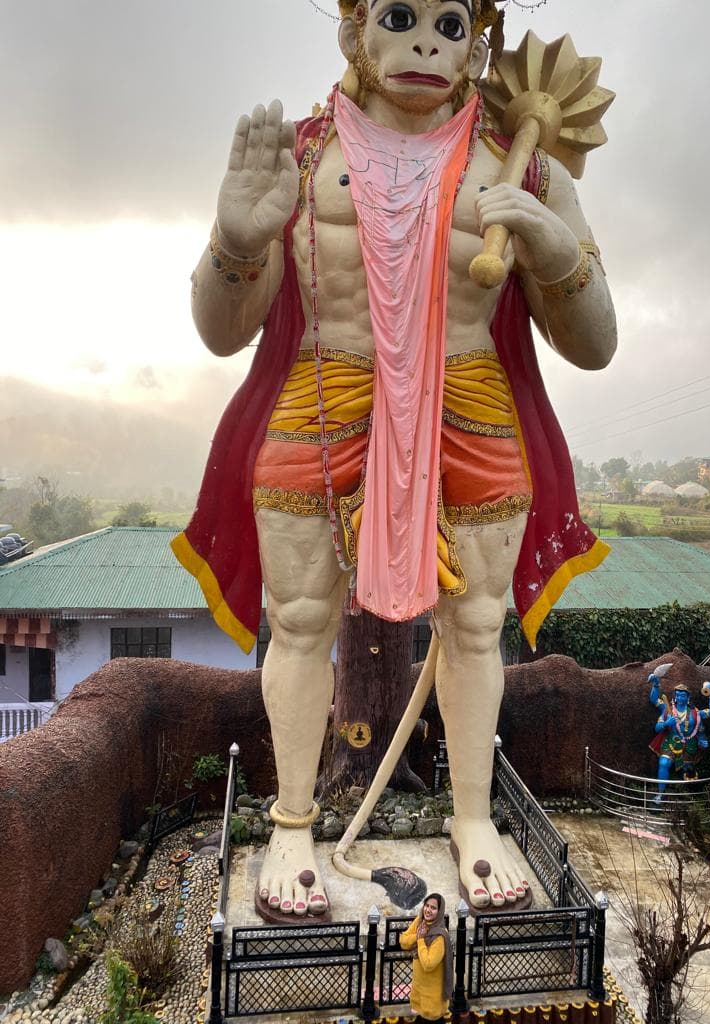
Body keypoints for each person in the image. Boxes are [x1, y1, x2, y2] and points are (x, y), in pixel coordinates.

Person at [173, 0, 617, 917]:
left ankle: (470, 820)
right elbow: (222, 333)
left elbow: (596, 343)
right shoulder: (300, 156)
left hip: (473, 400)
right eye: (401, 14)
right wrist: (236, 241)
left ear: (479, 40)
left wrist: (550, 241)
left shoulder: (522, 165)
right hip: (325, 396)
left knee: (477, 626)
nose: (426, 41)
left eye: (451, 23)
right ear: (353, 30)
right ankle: (292, 824)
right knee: (297, 620)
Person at [648, 672, 710, 801]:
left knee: (689, 772)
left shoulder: (695, 713)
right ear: (674, 696)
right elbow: (654, 703)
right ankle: (661, 793)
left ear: (688, 697)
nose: (680, 697)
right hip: (671, 743)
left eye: (683, 695)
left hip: (689, 746)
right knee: (663, 763)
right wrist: (656, 684)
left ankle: (687, 797)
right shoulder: (667, 709)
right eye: (678, 695)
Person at [399, 892, 453, 1022]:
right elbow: (403, 941)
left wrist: (421, 940)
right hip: (419, 990)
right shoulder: (420, 922)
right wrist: (418, 936)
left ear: (440, 912)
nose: (428, 910)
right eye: (427, 906)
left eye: (433, 908)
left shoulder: (440, 936)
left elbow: (428, 964)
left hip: (432, 997)